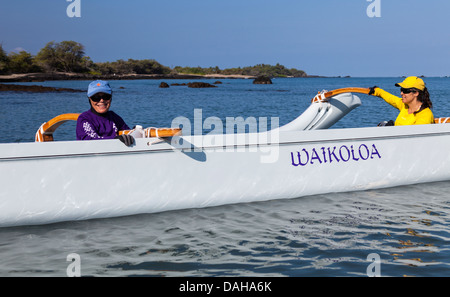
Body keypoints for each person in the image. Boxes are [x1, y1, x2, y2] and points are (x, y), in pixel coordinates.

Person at [76, 80, 134, 146]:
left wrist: (136, 132)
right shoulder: (84, 119)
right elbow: (89, 141)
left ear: (111, 98)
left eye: (106, 96)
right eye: (96, 97)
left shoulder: (114, 117)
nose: (102, 100)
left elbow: (128, 132)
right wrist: (115, 139)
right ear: (90, 99)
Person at [368, 76, 434, 126]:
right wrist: (377, 90)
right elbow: (390, 98)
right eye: (401, 90)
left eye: (405, 91)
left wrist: (393, 129)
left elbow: (415, 137)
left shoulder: (425, 115)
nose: (401, 93)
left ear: (416, 93)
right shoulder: (404, 105)